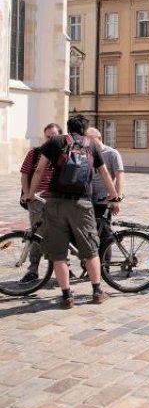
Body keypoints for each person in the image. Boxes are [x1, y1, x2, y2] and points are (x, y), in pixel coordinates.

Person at [22, 115, 121, 308]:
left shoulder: (56, 142)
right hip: (82, 203)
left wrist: (30, 194)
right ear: (85, 129)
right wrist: (114, 194)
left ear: (67, 128)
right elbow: (104, 172)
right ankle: (97, 292)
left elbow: (39, 170)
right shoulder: (91, 144)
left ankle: (67, 296)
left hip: (56, 202)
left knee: (58, 253)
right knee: (91, 251)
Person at [18, 122, 63, 283]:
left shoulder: (64, 154)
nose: (50, 139)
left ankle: (64, 268)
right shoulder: (35, 153)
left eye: (54, 136)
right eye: (48, 136)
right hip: (36, 200)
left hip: (58, 200)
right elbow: (24, 174)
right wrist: (28, 194)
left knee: (60, 235)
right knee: (36, 234)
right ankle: (33, 269)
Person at [84, 127, 124, 244]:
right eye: (86, 139)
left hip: (103, 200)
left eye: (90, 139)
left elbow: (120, 176)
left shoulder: (112, 153)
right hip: (88, 200)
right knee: (88, 235)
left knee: (104, 235)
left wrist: (116, 199)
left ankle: (105, 260)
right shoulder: (86, 153)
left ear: (99, 138)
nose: (88, 142)